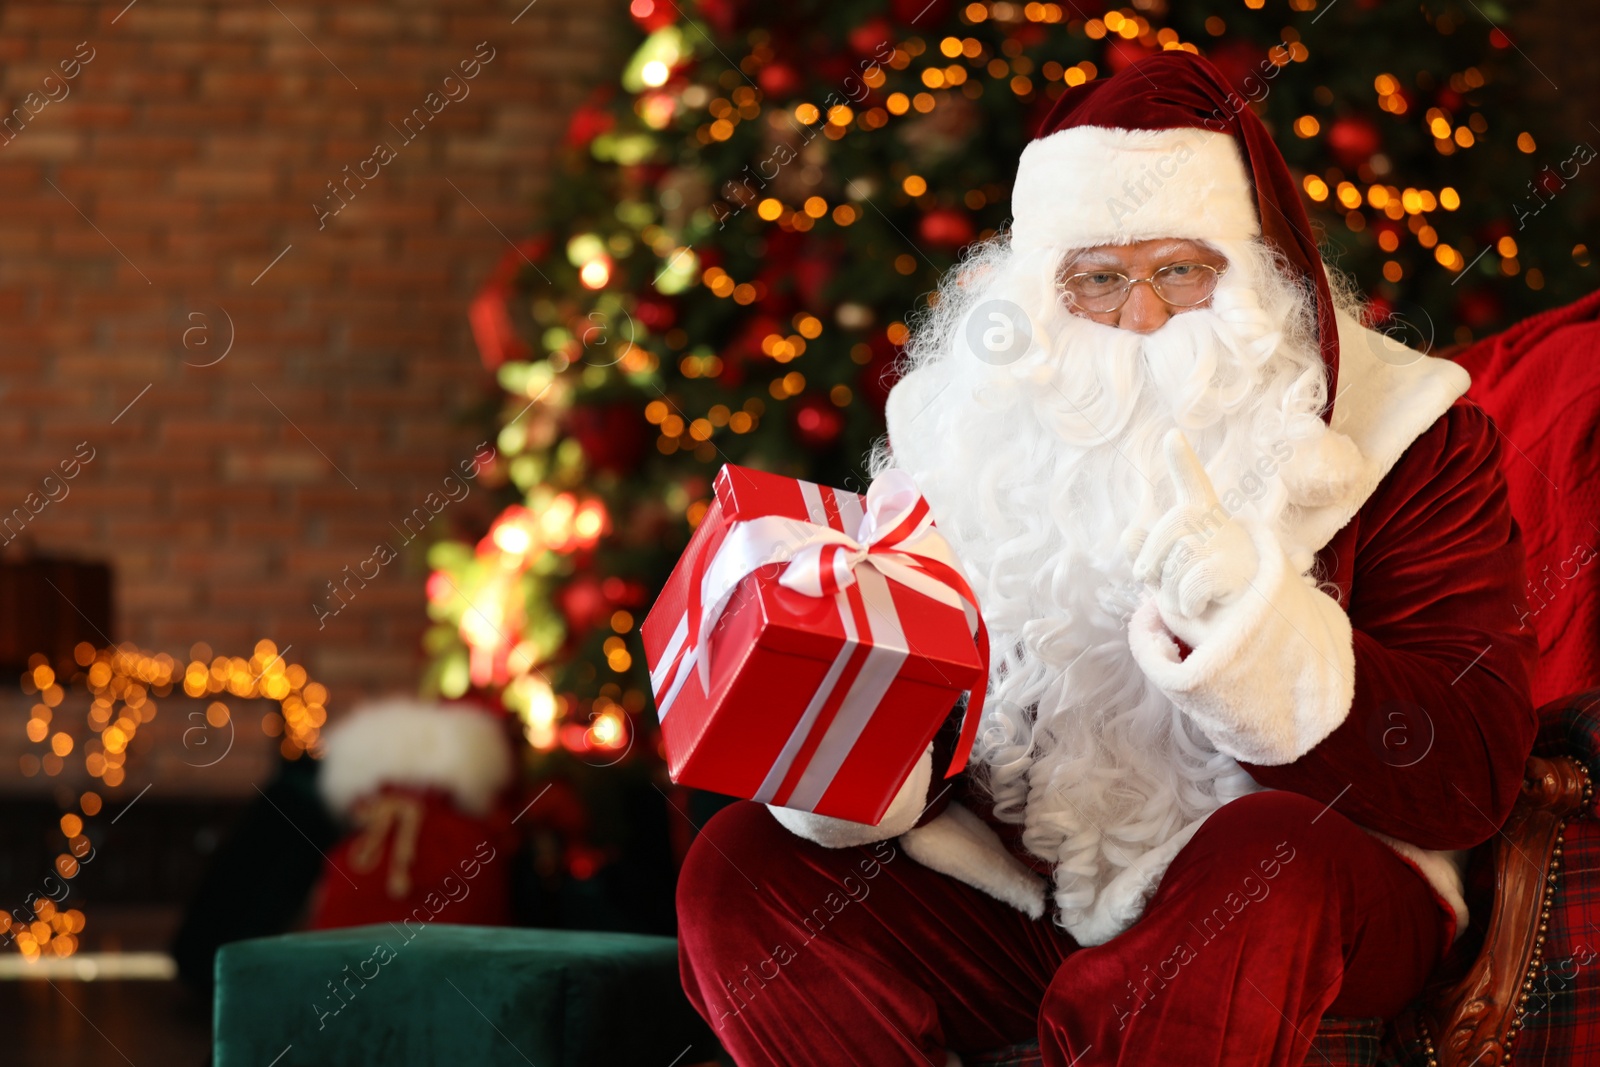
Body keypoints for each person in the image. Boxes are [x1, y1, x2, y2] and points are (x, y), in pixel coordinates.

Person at [676, 50, 1538, 1066]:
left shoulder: (1404, 432)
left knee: (1268, 855)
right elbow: (915, 737)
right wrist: (843, 719)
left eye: (1180, 270)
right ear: (1042, 293)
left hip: (1306, 889)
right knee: (741, 866)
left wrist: (1252, 633)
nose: (1140, 319)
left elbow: (1472, 771)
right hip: (1019, 894)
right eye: (1098, 280)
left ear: (1256, 267)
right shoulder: (968, 432)